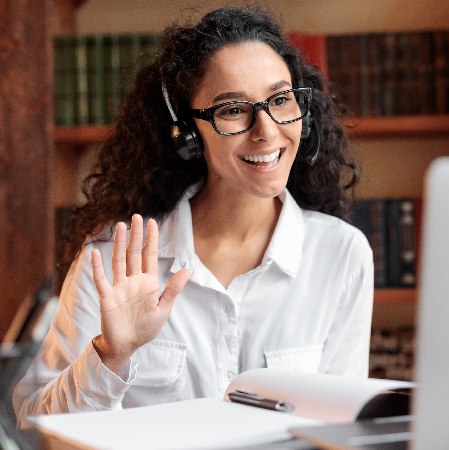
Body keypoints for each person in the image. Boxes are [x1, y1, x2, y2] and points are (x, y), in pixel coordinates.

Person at [13, 5, 373, 427]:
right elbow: (31, 424)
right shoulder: (113, 256)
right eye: (233, 110)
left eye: (280, 100)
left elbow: (349, 428)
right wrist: (110, 356)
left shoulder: (342, 255)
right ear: (187, 133)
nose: (267, 131)